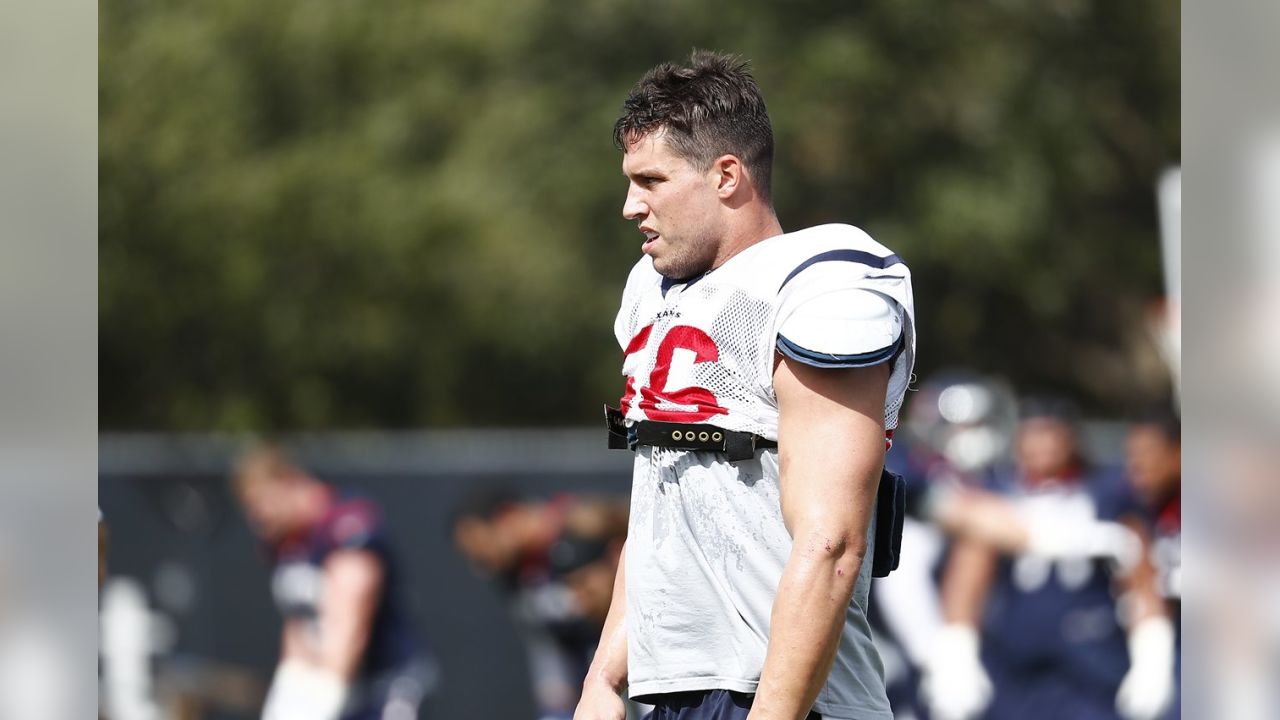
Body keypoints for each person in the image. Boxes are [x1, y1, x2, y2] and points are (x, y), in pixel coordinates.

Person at [576, 50, 916, 720]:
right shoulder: (652, 292)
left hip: (786, 695)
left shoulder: (824, 283)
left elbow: (832, 541)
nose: (629, 206)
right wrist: (603, 679)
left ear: (726, 175)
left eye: (651, 180)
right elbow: (660, 502)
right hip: (669, 689)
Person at [921, 399, 1175, 720]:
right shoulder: (999, 493)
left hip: (1093, 658)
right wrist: (958, 647)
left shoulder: (1108, 491)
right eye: (1032, 434)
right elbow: (970, 565)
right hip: (1016, 660)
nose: (1041, 445)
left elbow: (1139, 570)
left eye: (1049, 433)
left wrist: (1152, 653)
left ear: (1071, 437)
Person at [233, 443, 436, 720]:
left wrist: (321, 702)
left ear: (289, 481)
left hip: (384, 689)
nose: (258, 516)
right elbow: (299, 625)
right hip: (343, 690)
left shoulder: (346, 523)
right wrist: (288, 695)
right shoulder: (285, 542)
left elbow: (350, 626)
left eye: (260, 502)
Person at [452, 488, 629, 720]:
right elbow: (549, 659)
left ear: (508, 516)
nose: (482, 564)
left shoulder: (583, 525)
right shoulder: (515, 578)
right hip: (596, 693)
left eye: (482, 546)